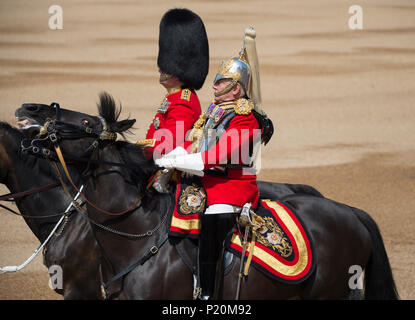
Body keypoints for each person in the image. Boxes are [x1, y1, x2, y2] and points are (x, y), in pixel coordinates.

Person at [156, 27, 273, 299]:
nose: (214, 85)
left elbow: (218, 157)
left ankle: (208, 291)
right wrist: (170, 158)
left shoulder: (246, 117)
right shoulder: (214, 111)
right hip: (205, 178)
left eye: (221, 82)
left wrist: (180, 160)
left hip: (231, 186)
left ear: (237, 89)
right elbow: (195, 140)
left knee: (211, 216)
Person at [136, 8, 209, 163]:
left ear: (178, 69)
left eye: (166, 66)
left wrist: (137, 153)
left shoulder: (183, 102)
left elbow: (168, 146)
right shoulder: (174, 97)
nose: (160, 69)